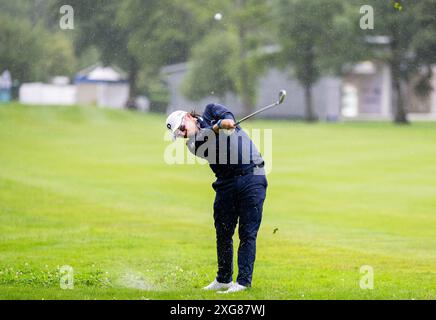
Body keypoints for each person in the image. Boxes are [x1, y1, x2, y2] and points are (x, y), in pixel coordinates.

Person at [165, 103, 268, 293]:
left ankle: (243, 282)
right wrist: (219, 126)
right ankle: (223, 280)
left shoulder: (211, 110)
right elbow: (208, 137)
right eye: (178, 134)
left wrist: (227, 120)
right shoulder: (193, 145)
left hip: (252, 177)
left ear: (189, 117)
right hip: (226, 183)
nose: (182, 134)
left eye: (181, 128)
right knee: (223, 232)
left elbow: (225, 114)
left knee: (247, 233)